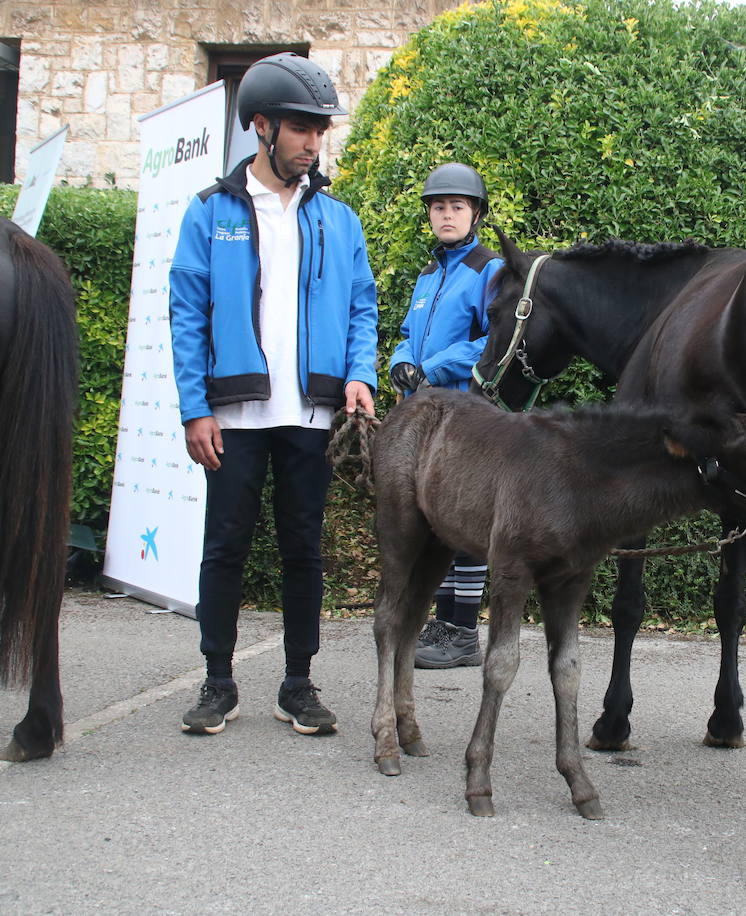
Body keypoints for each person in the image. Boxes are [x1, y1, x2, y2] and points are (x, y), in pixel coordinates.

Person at [169, 52, 378, 735]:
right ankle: (217, 682)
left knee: (303, 549)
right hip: (233, 414)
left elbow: (361, 309)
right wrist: (194, 407)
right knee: (223, 547)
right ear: (261, 126)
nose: (315, 142)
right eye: (302, 128)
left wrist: (359, 374)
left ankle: (298, 683)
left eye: (321, 130)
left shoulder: (340, 220)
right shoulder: (211, 213)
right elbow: (186, 314)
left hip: (311, 414)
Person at [389, 162, 504, 668]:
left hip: (467, 415)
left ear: (475, 213)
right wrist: (399, 365)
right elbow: (407, 336)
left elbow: (493, 340)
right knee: (437, 521)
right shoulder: (429, 274)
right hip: (426, 416)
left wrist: (431, 367)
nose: (447, 214)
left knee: (466, 521)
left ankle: (462, 632)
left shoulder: (490, 269)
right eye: (439, 207)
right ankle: (443, 623)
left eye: (457, 206)